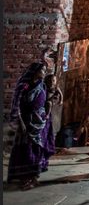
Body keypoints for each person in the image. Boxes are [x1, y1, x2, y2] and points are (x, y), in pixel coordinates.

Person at [8, 62, 51, 190]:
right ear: (35, 71)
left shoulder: (42, 85)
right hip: (27, 122)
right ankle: (26, 178)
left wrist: (46, 116)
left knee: (38, 150)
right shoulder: (24, 85)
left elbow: (45, 102)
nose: (44, 73)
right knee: (26, 150)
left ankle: (34, 177)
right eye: (42, 70)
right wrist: (20, 122)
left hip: (40, 123)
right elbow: (17, 104)